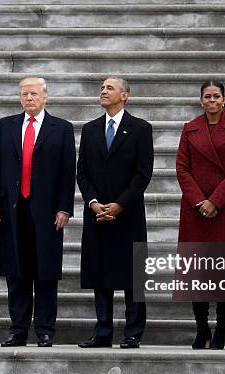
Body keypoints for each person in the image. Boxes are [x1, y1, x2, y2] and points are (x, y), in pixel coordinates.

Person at [0, 77, 75, 347]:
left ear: (45, 97)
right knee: (16, 272)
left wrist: (64, 208)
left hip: (47, 212)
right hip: (13, 210)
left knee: (45, 272)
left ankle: (45, 329)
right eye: (24, 94)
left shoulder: (62, 128)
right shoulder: (6, 125)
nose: (29, 98)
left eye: (34, 94)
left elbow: (67, 172)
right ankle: (18, 329)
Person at [76, 77, 154, 349]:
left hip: (128, 213)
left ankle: (133, 332)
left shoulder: (141, 129)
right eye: (102, 88)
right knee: (101, 273)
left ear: (125, 95)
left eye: (110, 88)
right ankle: (103, 331)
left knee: (133, 275)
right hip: (97, 214)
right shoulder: (90, 129)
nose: (103, 91)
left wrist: (120, 204)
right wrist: (93, 201)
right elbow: (82, 172)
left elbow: (143, 173)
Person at [176, 80, 225, 350]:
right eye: (207, 97)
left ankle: (221, 328)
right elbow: (182, 169)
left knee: (224, 270)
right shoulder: (190, 129)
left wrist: (215, 201)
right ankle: (201, 328)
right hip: (195, 208)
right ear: (200, 101)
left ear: (224, 100)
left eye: (216, 96)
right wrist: (199, 201)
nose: (211, 101)